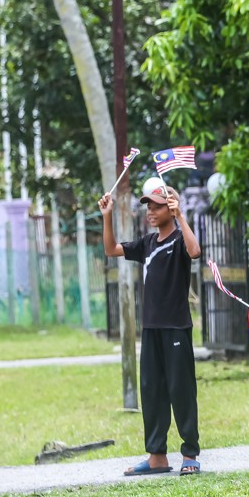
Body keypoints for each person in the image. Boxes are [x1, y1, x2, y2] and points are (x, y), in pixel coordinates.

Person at [99, 184, 203, 476]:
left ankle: (190, 454)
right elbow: (111, 249)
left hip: (176, 328)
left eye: (157, 206)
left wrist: (181, 216)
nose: (151, 212)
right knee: (152, 391)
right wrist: (107, 216)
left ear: (170, 208)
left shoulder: (181, 239)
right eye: (149, 207)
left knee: (180, 389)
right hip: (152, 329)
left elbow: (195, 252)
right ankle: (157, 456)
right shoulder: (147, 243)